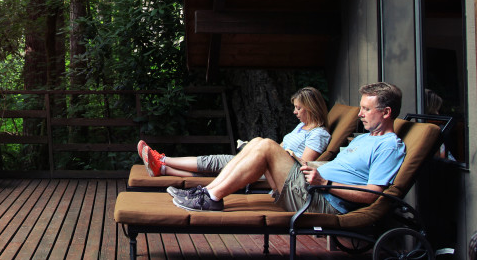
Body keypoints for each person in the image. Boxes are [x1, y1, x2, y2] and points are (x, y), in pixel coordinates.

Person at [172, 82, 406, 214]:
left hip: (322, 201)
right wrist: (310, 167)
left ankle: (211, 196)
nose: (360, 113)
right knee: (257, 143)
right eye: (361, 108)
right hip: (312, 188)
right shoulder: (365, 139)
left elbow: (372, 194)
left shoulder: (389, 147)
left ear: (386, 113)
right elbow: (338, 167)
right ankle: (207, 193)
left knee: (266, 147)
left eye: (366, 109)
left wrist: (325, 184)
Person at [138, 86, 331, 179]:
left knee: (214, 162)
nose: (295, 112)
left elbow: (303, 165)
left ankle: (162, 160)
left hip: (275, 172)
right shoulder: (301, 127)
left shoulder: (319, 134)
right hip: (267, 162)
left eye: (299, 108)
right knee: (216, 169)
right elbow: (283, 149)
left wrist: (270, 152)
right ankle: (162, 168)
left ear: (311, 108)